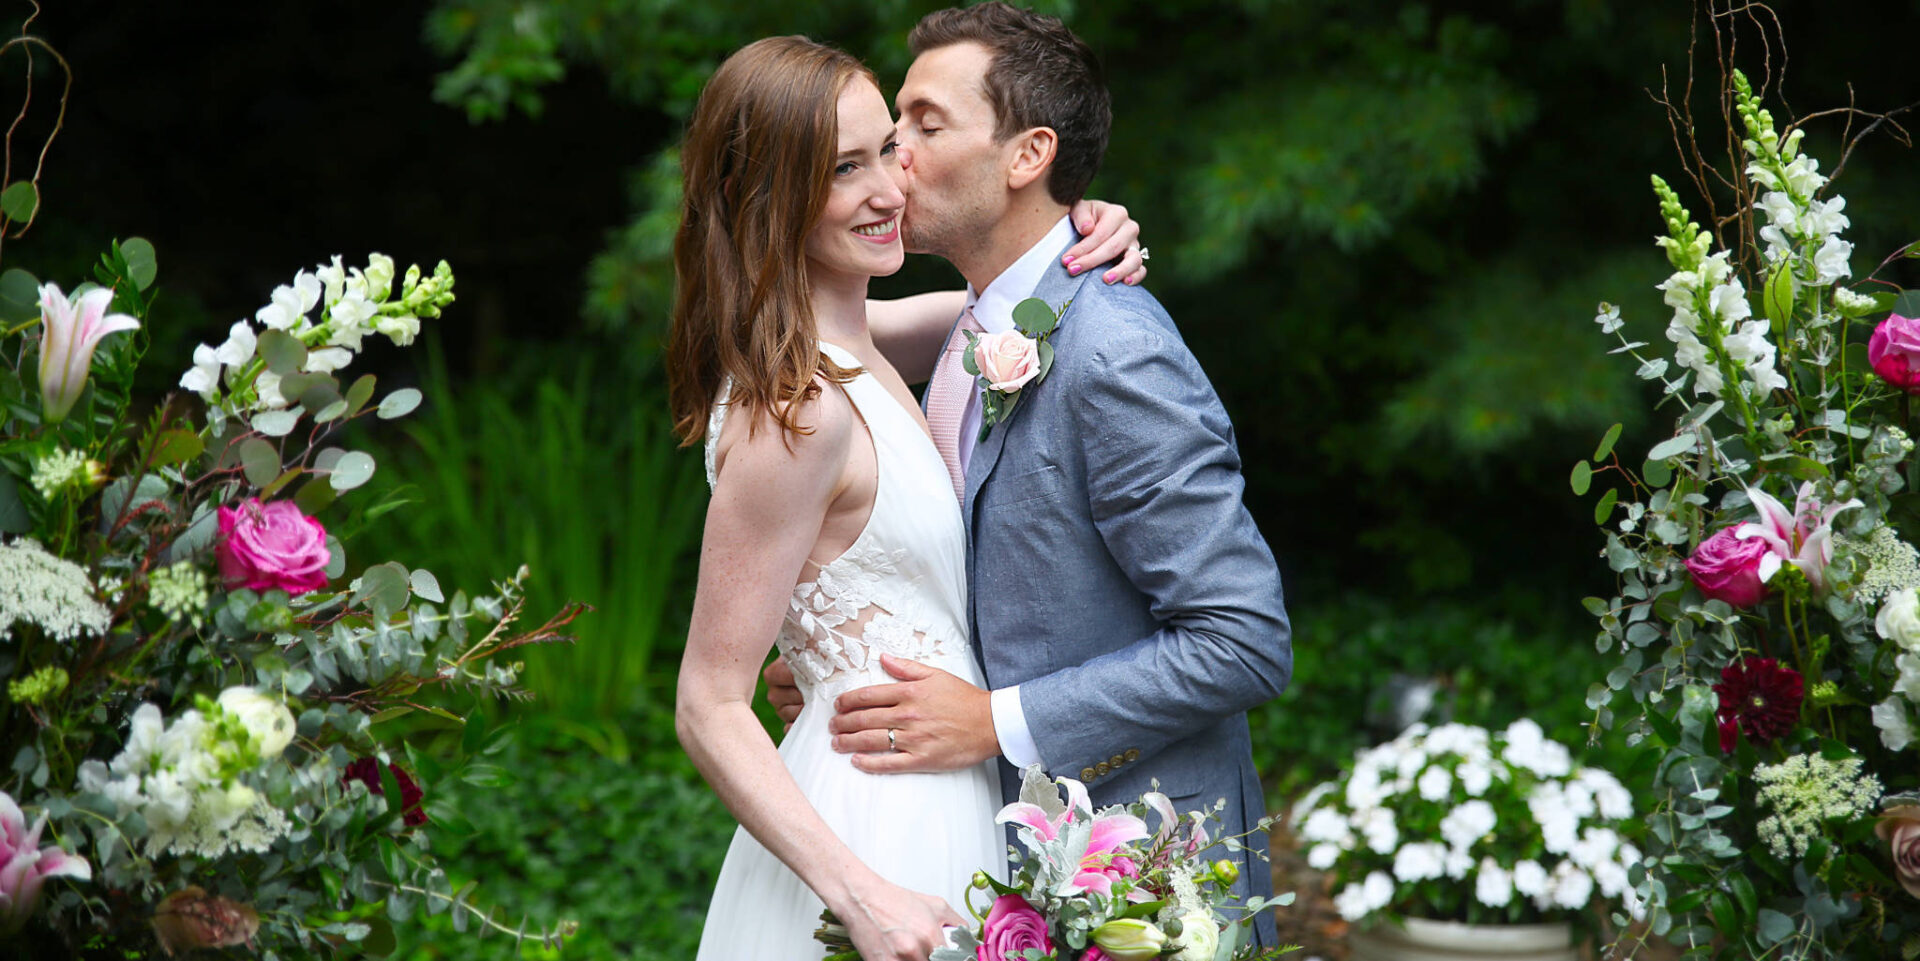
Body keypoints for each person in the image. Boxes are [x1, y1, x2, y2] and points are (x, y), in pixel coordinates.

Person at [766, 3, 1294, 947]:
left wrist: (989, 721)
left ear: (1026, 155)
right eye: (890, 134)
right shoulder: (980, 324)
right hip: (990, 860)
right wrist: (845, 656)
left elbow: (1244, 638)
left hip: (1136, 881)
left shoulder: (1114, 351)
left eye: (924, 128)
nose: (896, 161)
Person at [668, 35, 1147, 961]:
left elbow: (1014, 295)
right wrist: (864, 892)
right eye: (844, 169)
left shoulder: (865, 339)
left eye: (889, 146)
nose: (890, 188)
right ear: (770, 198)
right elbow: (708, 702)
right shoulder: (796, 411)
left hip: (951, 783)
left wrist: (1087, 223)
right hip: (874, 823)